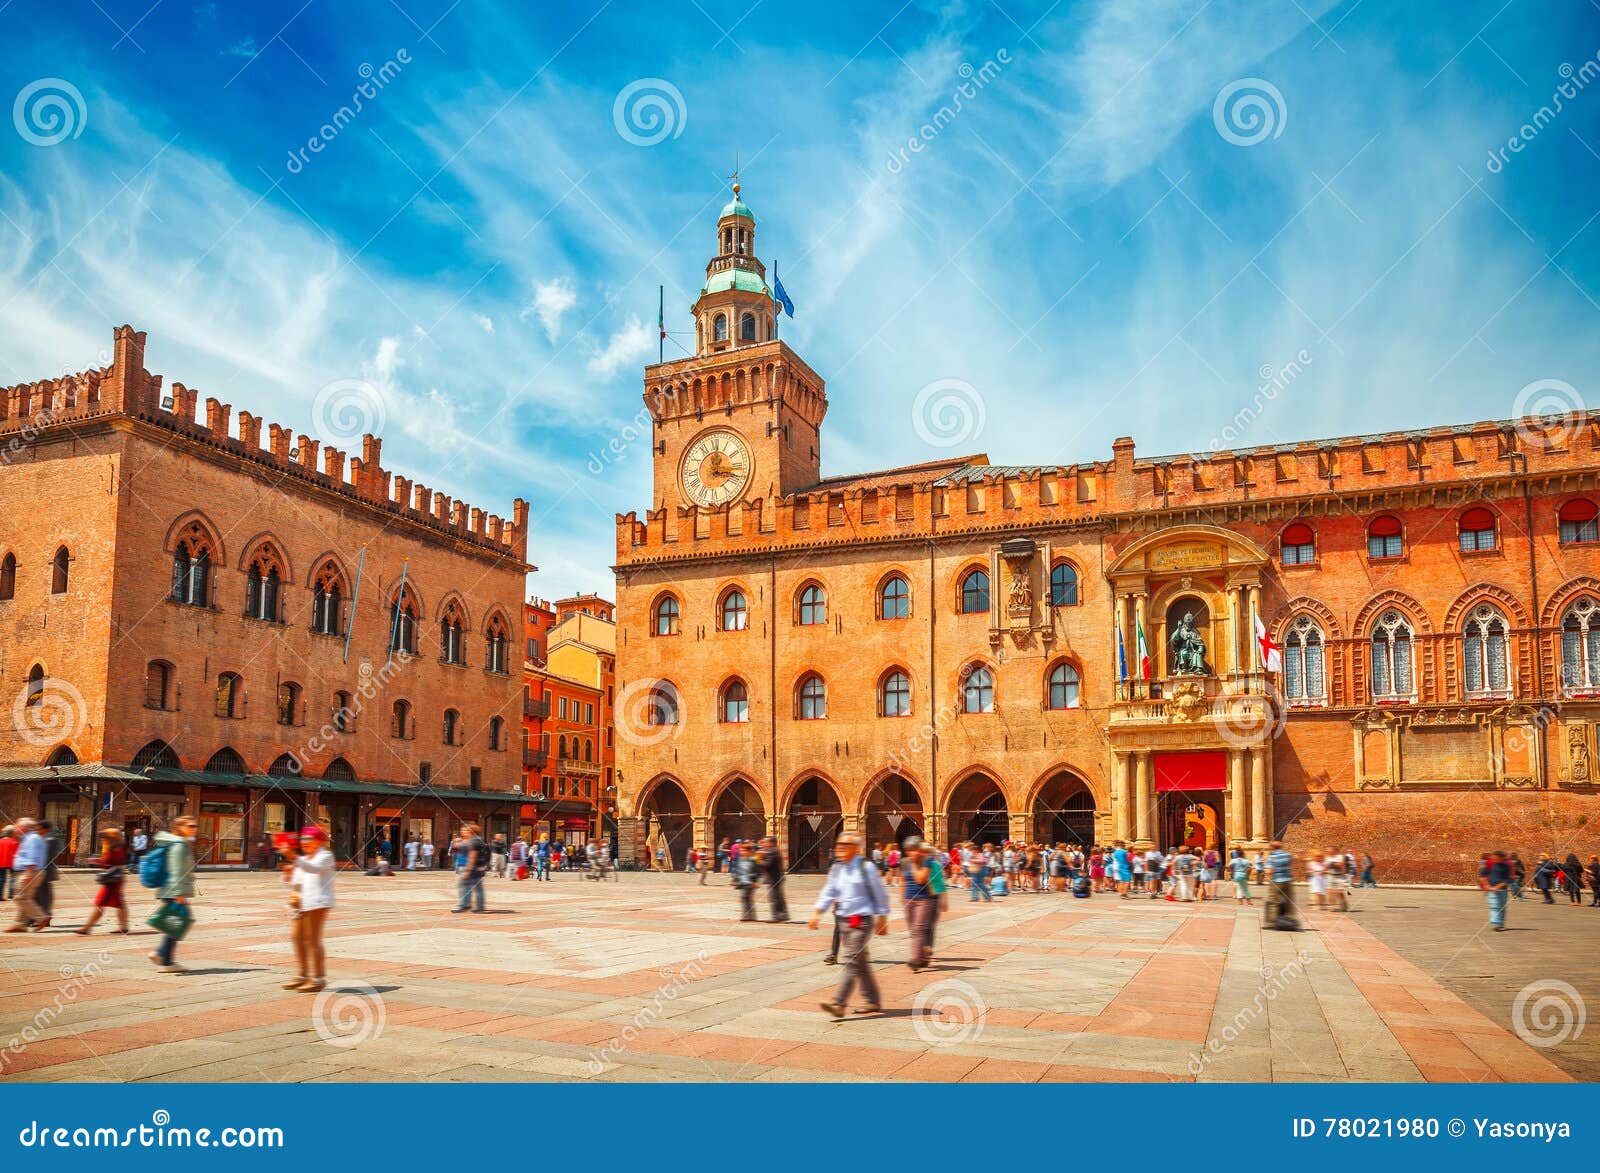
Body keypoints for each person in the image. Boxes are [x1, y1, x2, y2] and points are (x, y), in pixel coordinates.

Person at [808, 833, 889, 1018]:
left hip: (862, 921)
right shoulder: (837, 868)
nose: (840, 847)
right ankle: (872, 1000)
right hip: (844, 920)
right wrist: (817, 912)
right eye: (838, 844)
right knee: (860, 962)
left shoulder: (866, 867)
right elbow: (830, 891)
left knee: (852, 959)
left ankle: (839, 1002)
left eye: (845, 844)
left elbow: (880, 893)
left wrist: (882, 917)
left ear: (856, 848)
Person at [283, 825, 336, 991]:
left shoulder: (325, 856)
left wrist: (293, 857)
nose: (304, 843)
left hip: (318, 902)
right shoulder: (304, 858)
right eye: (303, 839)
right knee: (296, 937)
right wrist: (288, 875)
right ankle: (302, 974)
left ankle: (319, 978)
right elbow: (295, 881)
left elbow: (314, 869)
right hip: (301, 903)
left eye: (308, 839)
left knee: (312, 939)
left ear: (318, 841)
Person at [149, 815, 198, 971]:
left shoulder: (178, 843)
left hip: (170, 890)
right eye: (190, 826)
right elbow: (176, 870)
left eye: (195, 826)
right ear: (180, 828)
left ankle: (166, 960)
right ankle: (162, 955)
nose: (194, 829)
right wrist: (178, 893)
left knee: (175, 923)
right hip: (173, 891)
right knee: (179, 922)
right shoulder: (179, 845)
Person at [76, 828, 130, 935]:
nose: (103, 839)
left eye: (106, 838)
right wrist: (98, 860)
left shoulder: (116, 849)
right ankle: (123, 926)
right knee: (119, 904)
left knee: (100, 903)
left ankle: (87, 928)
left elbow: (111, 862)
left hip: (113, 880)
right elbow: (109, 862)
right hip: (114, 879)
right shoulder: (117, 847)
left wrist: (98, 861)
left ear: (112, 838)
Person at [900, 838, 939, 971]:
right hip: (909, 899)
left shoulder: (926, 861)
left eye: (914, 849)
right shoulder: (904, 862)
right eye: (909, 850)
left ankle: (915, 959)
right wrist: (902, 899)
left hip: (924, 899)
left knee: (919, 929)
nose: (912, 853)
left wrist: (915, 863)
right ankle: (924, 956)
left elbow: (920, 879)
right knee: (913, 930)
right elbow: (902, 880)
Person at [5, 819, 49, 931]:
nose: (15, 829)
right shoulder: (30, 838)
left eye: (17, 826)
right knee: (26, 898)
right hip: (33, 871)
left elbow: (32, 856)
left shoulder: (31, 838)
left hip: (30, 871)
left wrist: (28, 873)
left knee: (20, 897)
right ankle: (21, 924)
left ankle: (41, 917)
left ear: (25, 828)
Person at [452, 824, 488, 913]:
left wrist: (468, 870)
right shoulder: (474, 840)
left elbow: (472, 856)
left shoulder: (474, 842)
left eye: (465, 830)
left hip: (472, 867)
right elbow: (456, 848)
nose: (462, 832)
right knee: (474, 887)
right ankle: (476, 906)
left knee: (465, 886)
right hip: (474, 867)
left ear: (471, 832)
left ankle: (464, 905)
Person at [1263, 840, 1298, 930]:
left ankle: (1272, 923)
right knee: (1289, 902)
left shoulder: (1272, 857)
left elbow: (1270, 871)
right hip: (1288, 880)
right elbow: (1291, 864)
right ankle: (1291, 920)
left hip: (1276, 881)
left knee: (1274, 902)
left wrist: (1267, 873)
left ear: (1272, 848)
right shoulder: (1287, 855)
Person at [758, 835, 789, 922]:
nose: (764, 843)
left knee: (774, 897)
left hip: (774, 878)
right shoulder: (775, 850)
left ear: (771, 843)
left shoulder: (772, 851)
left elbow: (766, 865)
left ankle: (776, 916)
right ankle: (784, 915)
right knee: (779, 897)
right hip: (777, 877)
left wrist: (757, 858)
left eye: (766, 842)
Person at [1480, 849, 1512, 931]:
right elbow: (1483, 875)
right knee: (1494, 906)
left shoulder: (1506, 866)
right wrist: (1487, 885)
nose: (1494, 859)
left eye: (1496, 857)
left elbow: (1508, 879)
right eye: (1493, 857)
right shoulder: (1490, 864)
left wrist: (1499, 886)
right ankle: (1496, 923)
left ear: (1501, 858)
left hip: (1502, 890)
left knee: (1502, 907)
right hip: (1491, 890)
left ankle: (1500, 924)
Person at [732, 842, 759, 921]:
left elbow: (758, 871)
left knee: (746, 897)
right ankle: (750, 915)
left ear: (749, 851)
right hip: (743, 882)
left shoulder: (753, 860)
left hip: (750, 882)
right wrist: (735, 879)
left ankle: (748, 916)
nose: (741, 852)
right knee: (745, 898)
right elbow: (738, 871)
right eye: (741, 850)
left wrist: (755, 881)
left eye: (743, 850)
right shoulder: (741, 859)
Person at [0, 825, 15, 901]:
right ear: (12, 833)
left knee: (1, 879)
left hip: (1, 862)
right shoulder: (14, 842)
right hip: (12, 863)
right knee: (13, 878)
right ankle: (11, 895)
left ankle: (0, 895)